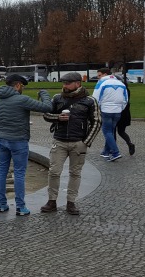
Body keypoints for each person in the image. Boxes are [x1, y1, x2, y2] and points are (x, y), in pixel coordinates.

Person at [41, 72, 101, 215]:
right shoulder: (57, 98)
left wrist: (86, 142)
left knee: (75, 173)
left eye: (68, 83)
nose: (65, 85)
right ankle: (52, 201)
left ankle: (71, 202)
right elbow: (46, 114)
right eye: (64, 83)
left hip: (78, 142)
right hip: (59, 140)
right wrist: (58, 117)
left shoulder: (90, 100)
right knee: (54, 172)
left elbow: (97, 121)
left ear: (78, 83)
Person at [0, 74, 52, 216]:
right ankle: (20, 206)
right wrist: (44, 94)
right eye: (22, 86)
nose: (22, 89)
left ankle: (0, 204)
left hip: (2, 139)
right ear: (17, 85)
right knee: (19, 173)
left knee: (1, 171)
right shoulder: (21, 99)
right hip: (18, 140)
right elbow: (47, 107)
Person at [93, 67, 128, 161]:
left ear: (105, 74)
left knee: (107, 132)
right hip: (117, 111)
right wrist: (120, 109)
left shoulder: (101, 83)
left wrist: (97, 109)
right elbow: (125, 99)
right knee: (111, 132)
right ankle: (106, 151)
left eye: (99, 75)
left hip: (106, 110)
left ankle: (115, 152)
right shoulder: (121, 84)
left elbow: (95, 98)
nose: (98, 78)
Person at [113, 73, 135, 155]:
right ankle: (129, 144)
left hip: (118, 112)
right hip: (125, 113)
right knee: (121, 131)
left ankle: (114, 149)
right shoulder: (126, 89)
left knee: (114, 131)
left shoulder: (120, 90)